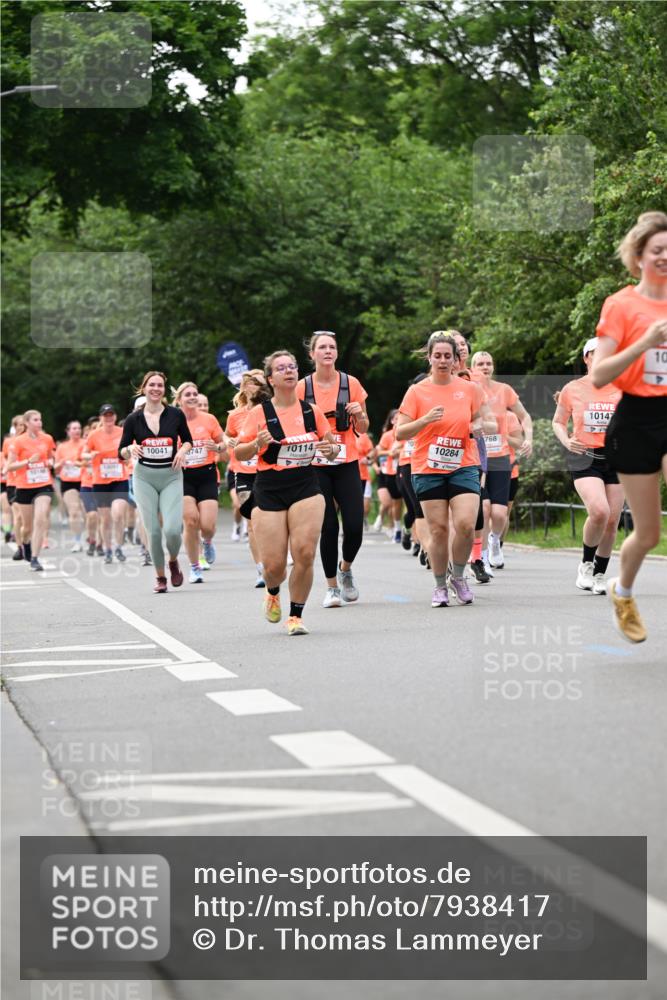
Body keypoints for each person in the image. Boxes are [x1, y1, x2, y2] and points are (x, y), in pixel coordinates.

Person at [590, 211, 667, 642]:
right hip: (636, 419)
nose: (665, 257)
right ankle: (623, 592)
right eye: (658, 251)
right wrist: (646, 342)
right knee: (649, 533)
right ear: (638, 256)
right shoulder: (621, 305)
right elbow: (600, 375)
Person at [236, 349, 339, 635]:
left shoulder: (310, 411)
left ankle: (296, 615)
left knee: (305, 553)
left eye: (292, 367)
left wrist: (329, 450)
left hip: (305, 485)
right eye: (281, 368)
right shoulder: (259, 414)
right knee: (274, 565)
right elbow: (241, 451)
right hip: (269, 488)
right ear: (271, 378)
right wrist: (256, 443)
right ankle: (272, 590)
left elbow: (330, 449)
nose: (289, 371)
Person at [396, 332, 485, 607]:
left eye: (448, 356)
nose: (443, 360)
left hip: (464, 464)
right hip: (427, 467)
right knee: (438, 531)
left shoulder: (469, 389)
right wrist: (424, 420)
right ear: (429, 358)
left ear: (456, 359)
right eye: (438, 356)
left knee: (466, 525)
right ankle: (439, 586)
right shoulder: (417, 391)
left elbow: (481, 417)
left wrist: (478, 425)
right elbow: (400, 432)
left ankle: (458, 576)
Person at [296, 331, 369, 607]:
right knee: (327, 526)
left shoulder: (351, 384)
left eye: (332, 347)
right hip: (315, 465)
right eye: (322, 347)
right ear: (312, 353)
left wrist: (359, 415)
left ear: (336, 353)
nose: (327, 351)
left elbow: (363, 428)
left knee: (353, 526)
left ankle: (346, 568)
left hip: (346, 462)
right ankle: (332, 588)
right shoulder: (302, 388)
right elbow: (291, 425)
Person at [553, 338, 623, 594]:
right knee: (600, 511)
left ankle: (600, 574)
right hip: (584, 454)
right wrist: (566, 441)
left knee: (613, 519)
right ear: (587, 358)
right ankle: (585, 565)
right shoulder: (573, 388)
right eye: (597, 353)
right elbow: (558, 422)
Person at [118, 371, 193, 593]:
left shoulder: (175, 414)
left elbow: (188, 440)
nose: (156, 389)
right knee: (153, 531)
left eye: (160, 385)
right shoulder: (133, 419)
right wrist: (130, 448)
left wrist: (183, 451)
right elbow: (120, 452)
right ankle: (161, 577)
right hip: (144, 477)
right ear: (144, 388)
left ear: (163, 390)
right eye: (152, 385)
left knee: (171, 529)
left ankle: (173, 560)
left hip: (171, 475)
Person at [470, 350, 533, 569]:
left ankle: (495, 540)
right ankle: (483, 557)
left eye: (488, 363)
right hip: (475, 457)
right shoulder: (468, 390)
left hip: (500, 458)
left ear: (493, 367)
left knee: (499, 512)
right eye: (479, 364)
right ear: (472, 367)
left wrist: (529, 439)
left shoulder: (504, 390)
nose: (484, 367)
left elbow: (524, 416)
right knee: (484, 508)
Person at [173, 381, 226, 584]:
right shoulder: (172, 420)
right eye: (188, 394)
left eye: (195, 394)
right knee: (191, 521)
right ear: (179, 400)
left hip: (207, 475)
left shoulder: (209, 419)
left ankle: (208, 541)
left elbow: (224, 443)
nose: (193, 397)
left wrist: (218, 447)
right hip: (183, 476)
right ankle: (195, 567)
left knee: (207, 525)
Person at [225, 369, 270, 588]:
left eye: (261, 383)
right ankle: (261, 568)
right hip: (244, 472)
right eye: (253, 383)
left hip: (270, 470)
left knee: (272, 519)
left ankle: (281, 553)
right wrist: (230, 442)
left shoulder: (273, 411)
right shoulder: (235, 415)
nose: (257, 387)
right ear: (244, 387)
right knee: (252, 522)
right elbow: (227, 435)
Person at [7, 410, 56, 571]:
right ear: (27, 423)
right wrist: (28, 462)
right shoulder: (18, 441)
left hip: (44, 484)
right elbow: (9, 467)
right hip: (24, 486)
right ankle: (25, 543)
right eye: (35, 420)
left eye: (40, 419)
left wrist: (50, 462)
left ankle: (35, 558)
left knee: (41, 518)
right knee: (26, 527)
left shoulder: (47, 439)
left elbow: (52, 457)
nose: (39, 422)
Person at [83, 405, 130, 564]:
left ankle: (119, 547)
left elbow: (129, 449)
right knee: (105, 519)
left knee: (117, 514)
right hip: (100, 482)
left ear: (115, 417)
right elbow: (83, 454)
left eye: (111, 415)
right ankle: (108, 549)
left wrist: (127, 454)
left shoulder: (122, 432)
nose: (108, 418)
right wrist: (91, 455)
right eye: (105, 415)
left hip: (119, 479)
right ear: (101, 418)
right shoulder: (94, 435)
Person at [54, 420, 85, 552]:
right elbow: (54, 468)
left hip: (85, 480)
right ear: (68, 431)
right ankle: (77, 541)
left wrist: (80, 463)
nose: (77, 431)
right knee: (73, 511)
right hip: (68, 481)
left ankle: (92, 538)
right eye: (74, 428)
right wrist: (61, 463)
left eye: (78, 428)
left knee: (89, 512)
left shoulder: (86, 444)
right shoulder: (62, 447)